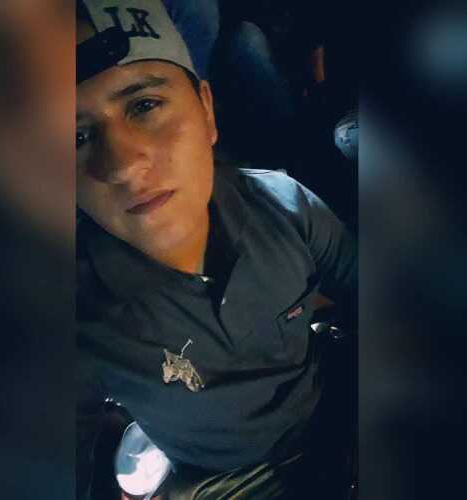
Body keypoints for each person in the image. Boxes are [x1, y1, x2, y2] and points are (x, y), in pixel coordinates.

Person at [76, 1, 357, 499]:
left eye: (144, 105)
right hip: (221, 479)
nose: (122, 165)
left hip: (332, 414)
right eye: (76, 136)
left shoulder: (285, 206)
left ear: (206, 111)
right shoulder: (74, 312)